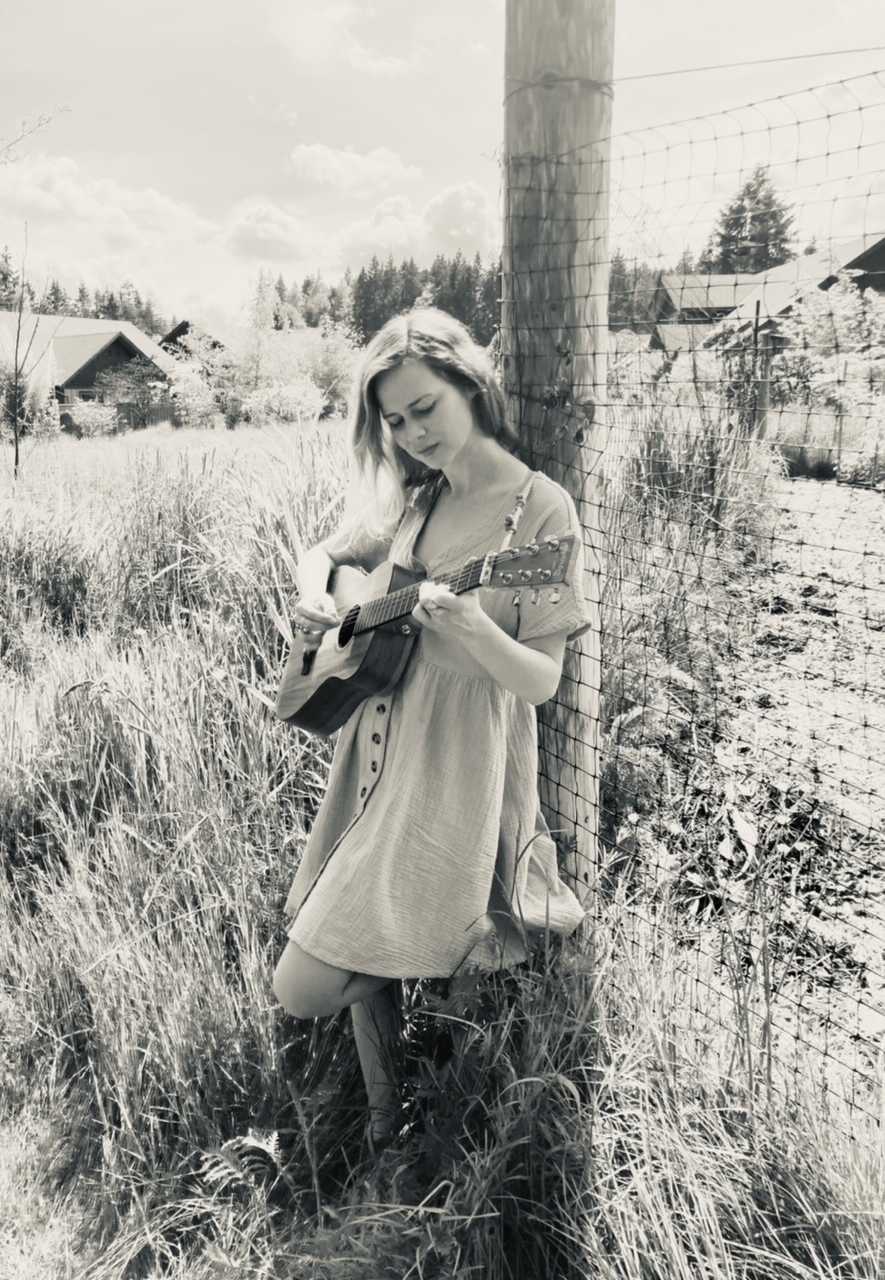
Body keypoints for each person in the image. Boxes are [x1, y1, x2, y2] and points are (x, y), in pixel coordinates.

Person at [272, 307, 592, 1148]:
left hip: (456, 763)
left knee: (305, 983)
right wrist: (320, 600)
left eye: (426, 408)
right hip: (376, 745)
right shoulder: (418, 498)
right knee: (357, 929)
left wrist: (478, 630)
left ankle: (457, 1100)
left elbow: (543, 679)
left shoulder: (539, 514)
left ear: (471, 387)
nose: (414, 434)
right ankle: (387, 1125)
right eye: (396, 421)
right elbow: (326, 557)